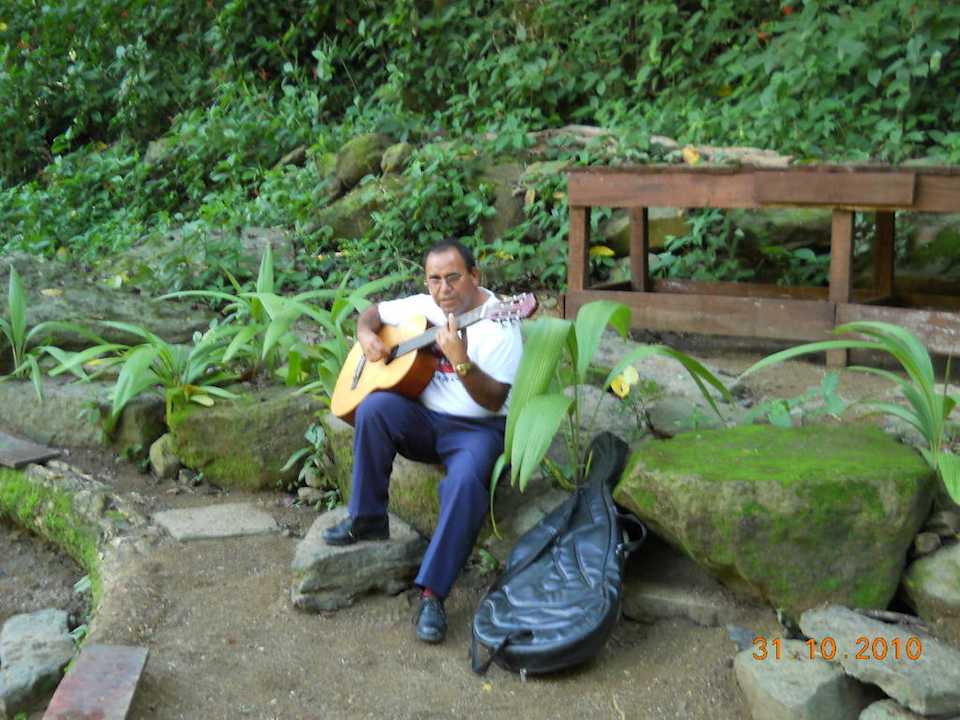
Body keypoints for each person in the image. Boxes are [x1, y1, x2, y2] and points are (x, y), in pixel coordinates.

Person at [322, 239, 524, 644]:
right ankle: (367, 518)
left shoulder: (501, 323)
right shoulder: (424, 306)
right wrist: (366, 336)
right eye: (435, 279)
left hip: (479, 429)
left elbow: (494, 399)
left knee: (466, 484)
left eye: (453, 278)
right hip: (425, 418)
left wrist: (461, 360)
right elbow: (373, 314)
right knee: (375, 408)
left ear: (474, 276)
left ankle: (433, 593)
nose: (443, 289)